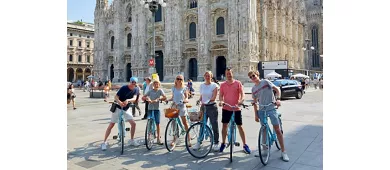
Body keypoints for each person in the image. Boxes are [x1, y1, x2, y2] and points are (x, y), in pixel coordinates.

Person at [248, 70, 289, 161]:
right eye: (250, 77)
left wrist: (278, 99)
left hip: (271, 107)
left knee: (278, 130)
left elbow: (277, 89)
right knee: (264, 130)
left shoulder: (265, 82)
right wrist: (255, 114)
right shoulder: (253, 89)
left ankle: (283, 151)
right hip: (262, 110)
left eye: (253, 75)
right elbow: (255, 102)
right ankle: (264, 150)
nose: (252, 78)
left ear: (257, 75)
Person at [101, 77, 141, 150]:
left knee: (133, 124)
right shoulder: (124, 88)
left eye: (135, 83)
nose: (133, 84)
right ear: (130, 82)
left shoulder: (136, 89)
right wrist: (119, 102)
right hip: (118, 108)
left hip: (126, 108)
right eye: (132, 82)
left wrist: (128, 100)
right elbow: (116, 97)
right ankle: (104, 142)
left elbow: (134, 98)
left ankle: (132, 140)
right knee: (112, 124)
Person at [218, 68, 251, 154]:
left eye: (230, 73)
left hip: (236, 107)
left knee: (240, 126)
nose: (228, 75)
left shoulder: (238, 83)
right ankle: (223, 143)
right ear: (225, 74)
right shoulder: (222, 85)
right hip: (226, 107)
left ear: (232, 74)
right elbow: (221, 95)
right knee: (224, 125)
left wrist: (241, 100)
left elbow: (242, 93)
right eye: (227, 73)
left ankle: (245, 144)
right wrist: (221, 101)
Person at [194, 71, 220, 151]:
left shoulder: (214, 85)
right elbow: (202, 95)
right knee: (202, 124)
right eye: (206, 75)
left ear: (211, 77)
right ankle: (199, 141)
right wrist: (199, 100)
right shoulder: (202, 85)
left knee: (214, 124)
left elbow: (214, 97)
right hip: (203, 106)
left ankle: (216, 142)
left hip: (212, 106)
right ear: (204, 77)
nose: (207, 77)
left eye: (209, 76)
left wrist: (209, 101)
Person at [167, 74, 191, 146]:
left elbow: (186, 97)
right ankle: (175, 138)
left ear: (182, 80)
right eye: (178, 79)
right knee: (173, 123)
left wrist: (185, 100)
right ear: (176, 80)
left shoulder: (184, 88)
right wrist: (168, 100)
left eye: (181, 79)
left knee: (185, 122)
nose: (179, 80)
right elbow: (173, 97)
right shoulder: (173, 88)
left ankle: (188, 138)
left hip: (181, 106)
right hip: (174, 106)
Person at [142, 80, 167, 145]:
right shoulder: (150, 91)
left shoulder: (160, 90)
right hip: (150, 108)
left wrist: (159, 99)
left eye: (157, 84)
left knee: (157, 123)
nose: (156, 85)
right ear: (153, 85)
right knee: (149, 122)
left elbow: (165, 97)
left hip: (156, 109)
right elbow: (143, 97)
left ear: (159, 85)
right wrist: (147, 99)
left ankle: (158, 138)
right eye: (155, 84)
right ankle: (148, 138)